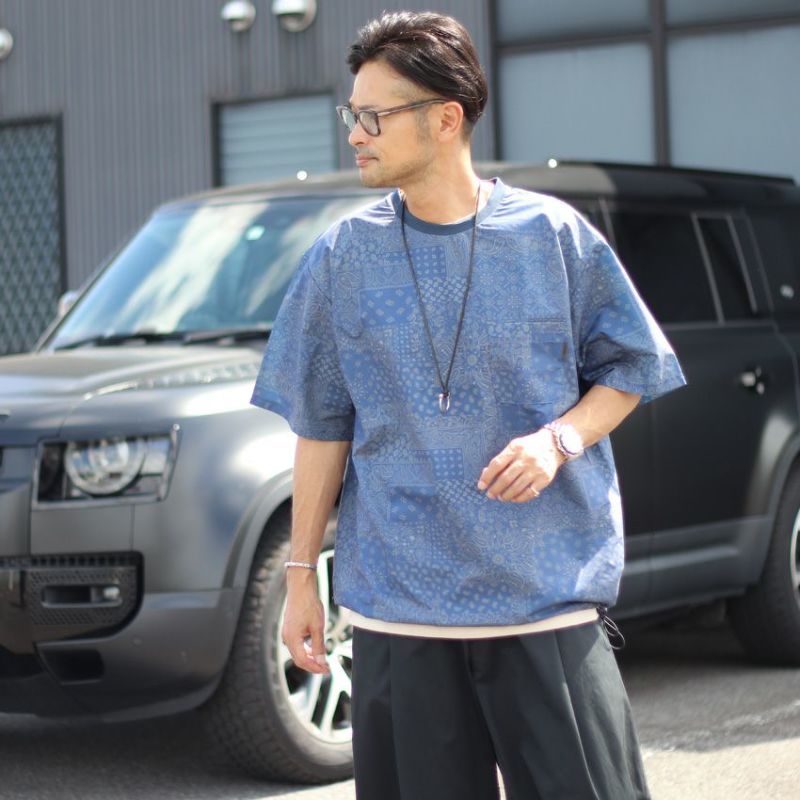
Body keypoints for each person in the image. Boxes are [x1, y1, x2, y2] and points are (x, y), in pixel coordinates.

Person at [251, 10, 685, 799]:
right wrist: (302, 574)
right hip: (400, 611)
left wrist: (558, 440)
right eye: (352, 115)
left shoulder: (553, 236)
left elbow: (632, 365)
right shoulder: (342, 256)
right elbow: (322, 424)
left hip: (543, 601)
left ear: (446, 118)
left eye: (375, 117)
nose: (355, 135)